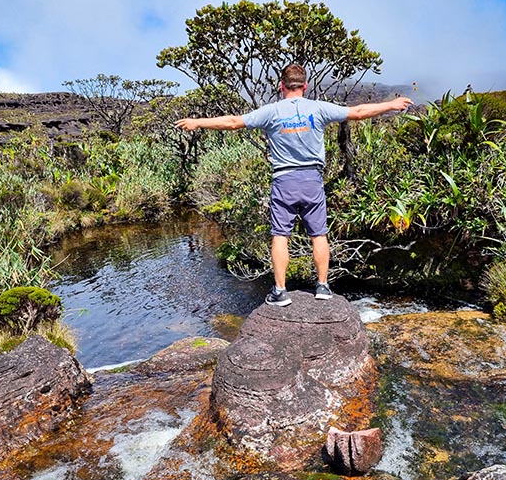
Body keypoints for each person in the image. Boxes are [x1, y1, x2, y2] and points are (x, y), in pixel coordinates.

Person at [175, 63, 413, 307]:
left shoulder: (272, 111)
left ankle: (280, 291)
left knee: (280, 236)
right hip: (312, 180)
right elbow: (359, 111)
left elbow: (234, 122)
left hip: (284, 181)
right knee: (319, 234)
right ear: (305, 85)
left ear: (281, 86)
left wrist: (198, 122)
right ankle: (322, 286)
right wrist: (391, 105)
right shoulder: (318, 108)